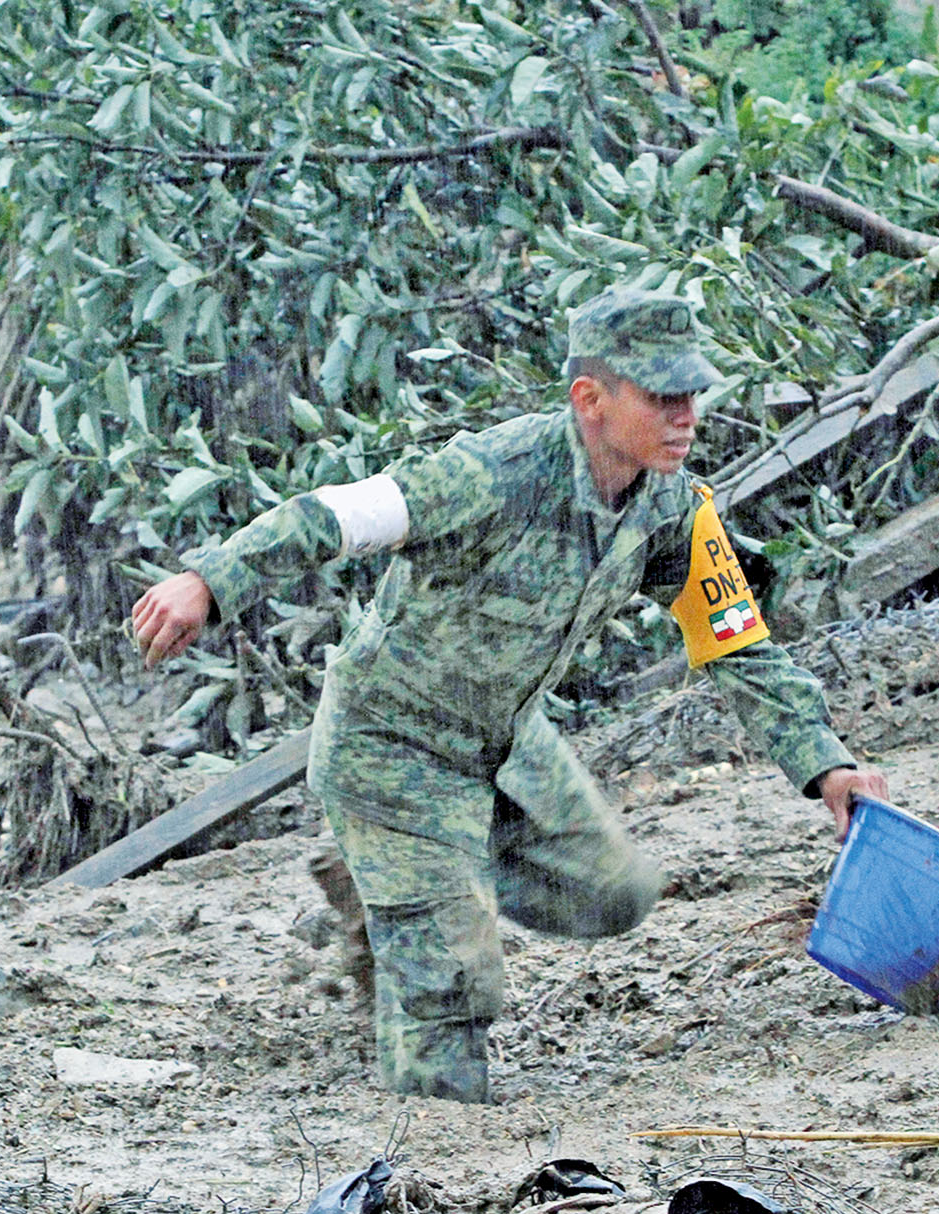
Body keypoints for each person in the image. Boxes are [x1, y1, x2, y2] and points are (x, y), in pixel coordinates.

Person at [131, 286, 890, 1103]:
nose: (686, 415)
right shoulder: (490, 473)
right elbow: (338, 515)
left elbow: (738, 644)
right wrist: (209, 580)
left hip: (505, 741)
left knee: (615, 894)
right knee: (452, 1000)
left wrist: (827, 768)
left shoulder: (673, 510)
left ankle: (394, 885)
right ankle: (416, 933)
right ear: (590, 399)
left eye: (692, 394)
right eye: (661, 396)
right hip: (389, 747)